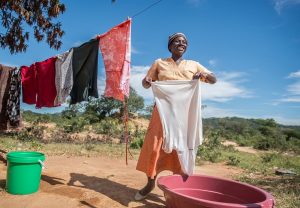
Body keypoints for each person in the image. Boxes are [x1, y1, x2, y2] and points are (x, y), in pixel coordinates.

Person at [135, 32, 217, 201]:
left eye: (184, 42)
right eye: (177, 41)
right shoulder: (159, 63)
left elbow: (214, 79)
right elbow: (145, 83)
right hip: (162, 113)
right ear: (170, 46)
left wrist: (202, 76)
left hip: (184, 115)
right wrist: (147, 81)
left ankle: (179, 189)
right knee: (155, 147)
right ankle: (150, 184)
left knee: (182, 148)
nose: (181, 43)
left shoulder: (194, 65)